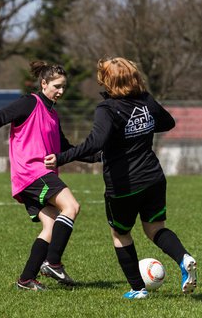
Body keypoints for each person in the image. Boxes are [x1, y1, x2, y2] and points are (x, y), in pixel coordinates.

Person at [44, 56, 197, 299]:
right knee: (155, 228)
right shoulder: (145, 100)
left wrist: (62, 157)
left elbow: (96, 142)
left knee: (120, 234)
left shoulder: (107, 108)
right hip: (154, 178)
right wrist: (139, 127)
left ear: (108, 81)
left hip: (125, 185)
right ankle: (184, 257)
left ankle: (138, 290)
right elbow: (167, 122)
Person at [0, 60, 99, 291]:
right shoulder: (30, 102)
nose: (61, 91)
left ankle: (26, 279)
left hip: (32, 178)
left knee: (50, 226)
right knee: (71, 207)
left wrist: (100, 157)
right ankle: (53, 262)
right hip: (32, 173)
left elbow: (66, 148)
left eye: (63, 87)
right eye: (57, 86)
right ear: (44, 83)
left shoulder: (53, 114)